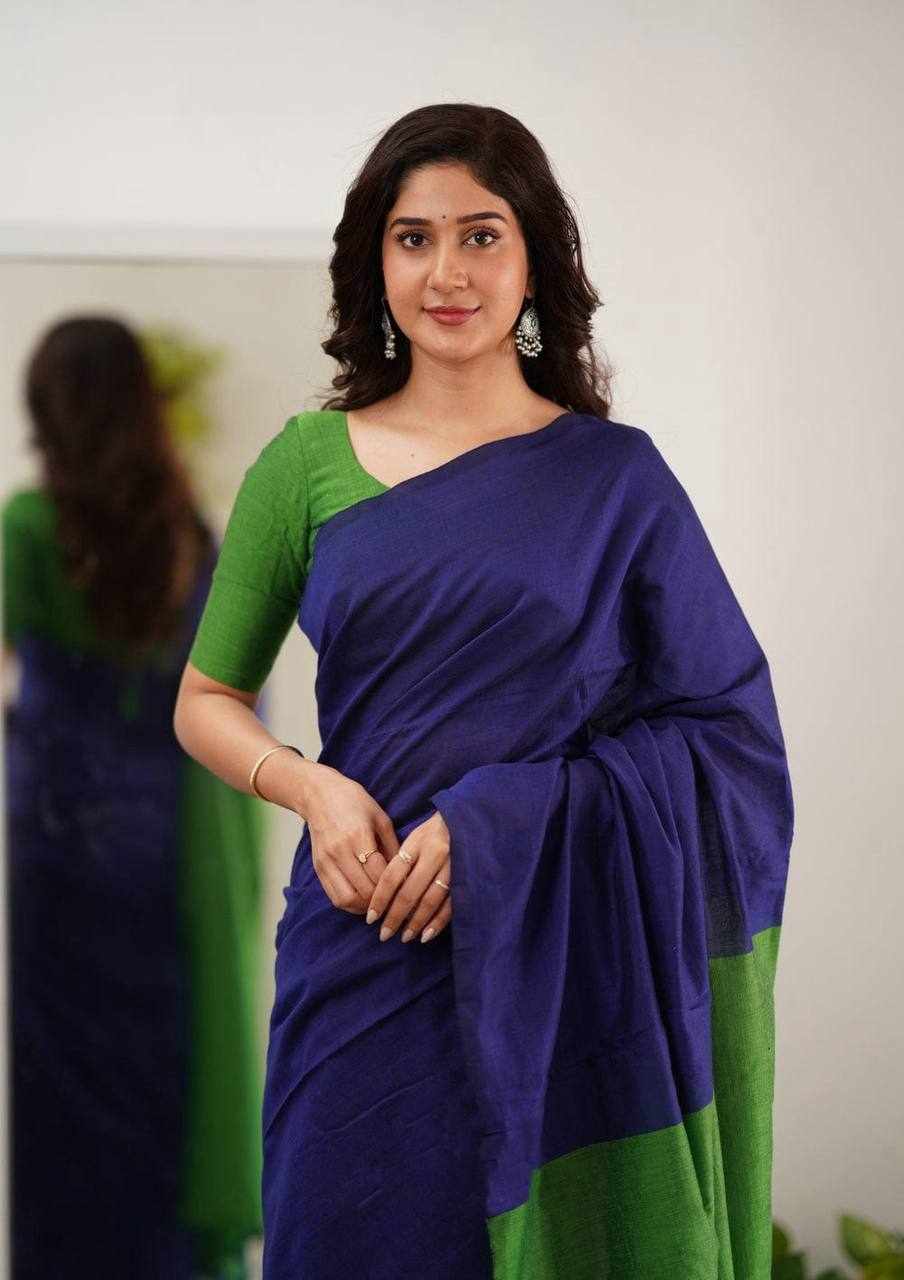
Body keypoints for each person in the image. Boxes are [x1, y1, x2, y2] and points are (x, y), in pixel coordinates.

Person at [174, 103, 795, 1279]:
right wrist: (308, 788)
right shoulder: (305, 464)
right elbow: (205, 696)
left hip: (559, 964)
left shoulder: (616, 481)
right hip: (361, 945)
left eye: (480, 235)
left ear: (534, 258)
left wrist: (506, 822)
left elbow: (727, 736)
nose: (446, 273)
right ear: (374, 261)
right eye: (412, 238)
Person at [3, 315, 265, 1279]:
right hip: (169, 849)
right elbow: (231, 700)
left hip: (55, 848)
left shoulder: (29, 528)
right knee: (166, 1082)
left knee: (58, 1107)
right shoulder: (193, 538)